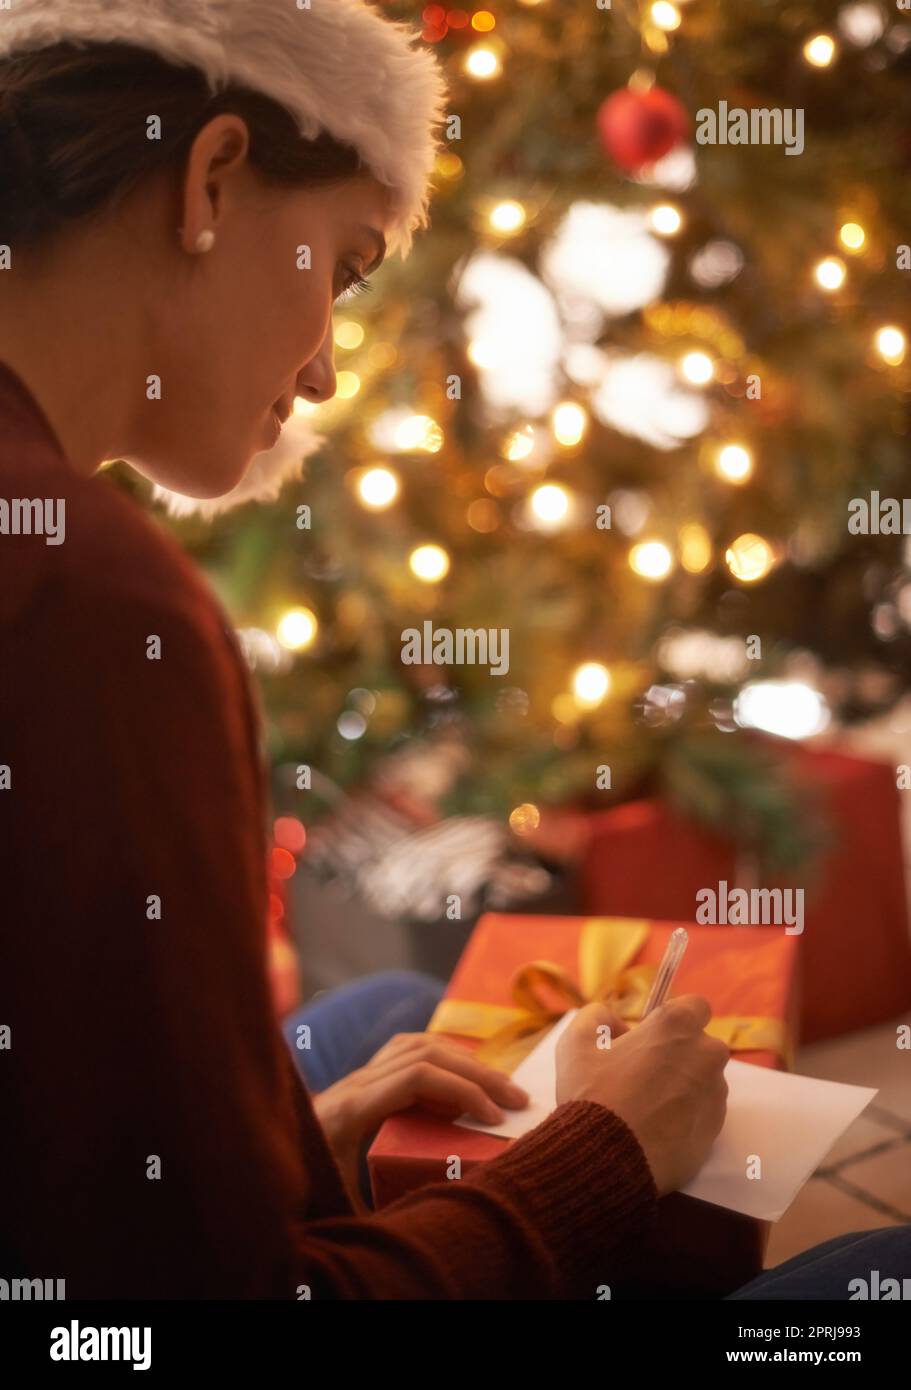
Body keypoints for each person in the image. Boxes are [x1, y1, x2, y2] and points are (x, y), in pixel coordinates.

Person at [0, 0, 906, 1301]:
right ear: (212, 179)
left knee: (383, 1029)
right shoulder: (93, 607)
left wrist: (281, 1156)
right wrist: (607, 1151)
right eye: (345, 267)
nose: (319, 377)